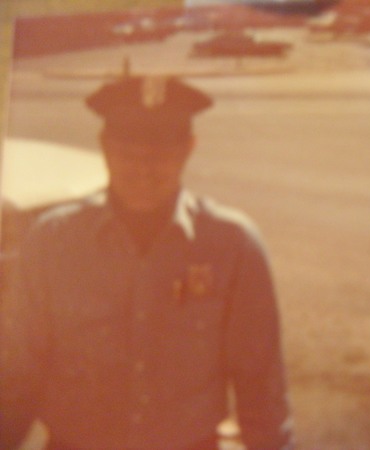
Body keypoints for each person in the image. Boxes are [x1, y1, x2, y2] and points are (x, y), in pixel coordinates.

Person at [0, 75, 293, 450]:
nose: (143, 170)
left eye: (160, 155)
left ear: (188, 149)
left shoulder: (232, 246)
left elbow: (262, 389)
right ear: (105, 147)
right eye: (128, 154)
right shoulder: (52, 242)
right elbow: (18, 376)